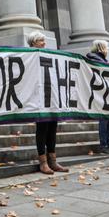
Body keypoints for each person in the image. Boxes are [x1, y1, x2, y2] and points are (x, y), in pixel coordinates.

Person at [27, 32, 68, 174]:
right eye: (40, 40)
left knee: (52, 129)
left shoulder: (50, 55)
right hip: (39, 99)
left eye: (44, 40)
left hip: (52, 96)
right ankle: (43, 162)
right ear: (33, 43)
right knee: (42, 129)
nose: (44, 43)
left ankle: (53, 161)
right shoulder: (28, 56)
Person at [86, 40, 109, 157]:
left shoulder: (102, 59)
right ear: (102, 48)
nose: (108, 49)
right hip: (100, 92)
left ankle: (108, 144)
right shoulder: (94, 58)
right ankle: (103, 145)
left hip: (106, 92)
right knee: (103, 119)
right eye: (106, 47)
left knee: (108, 119)